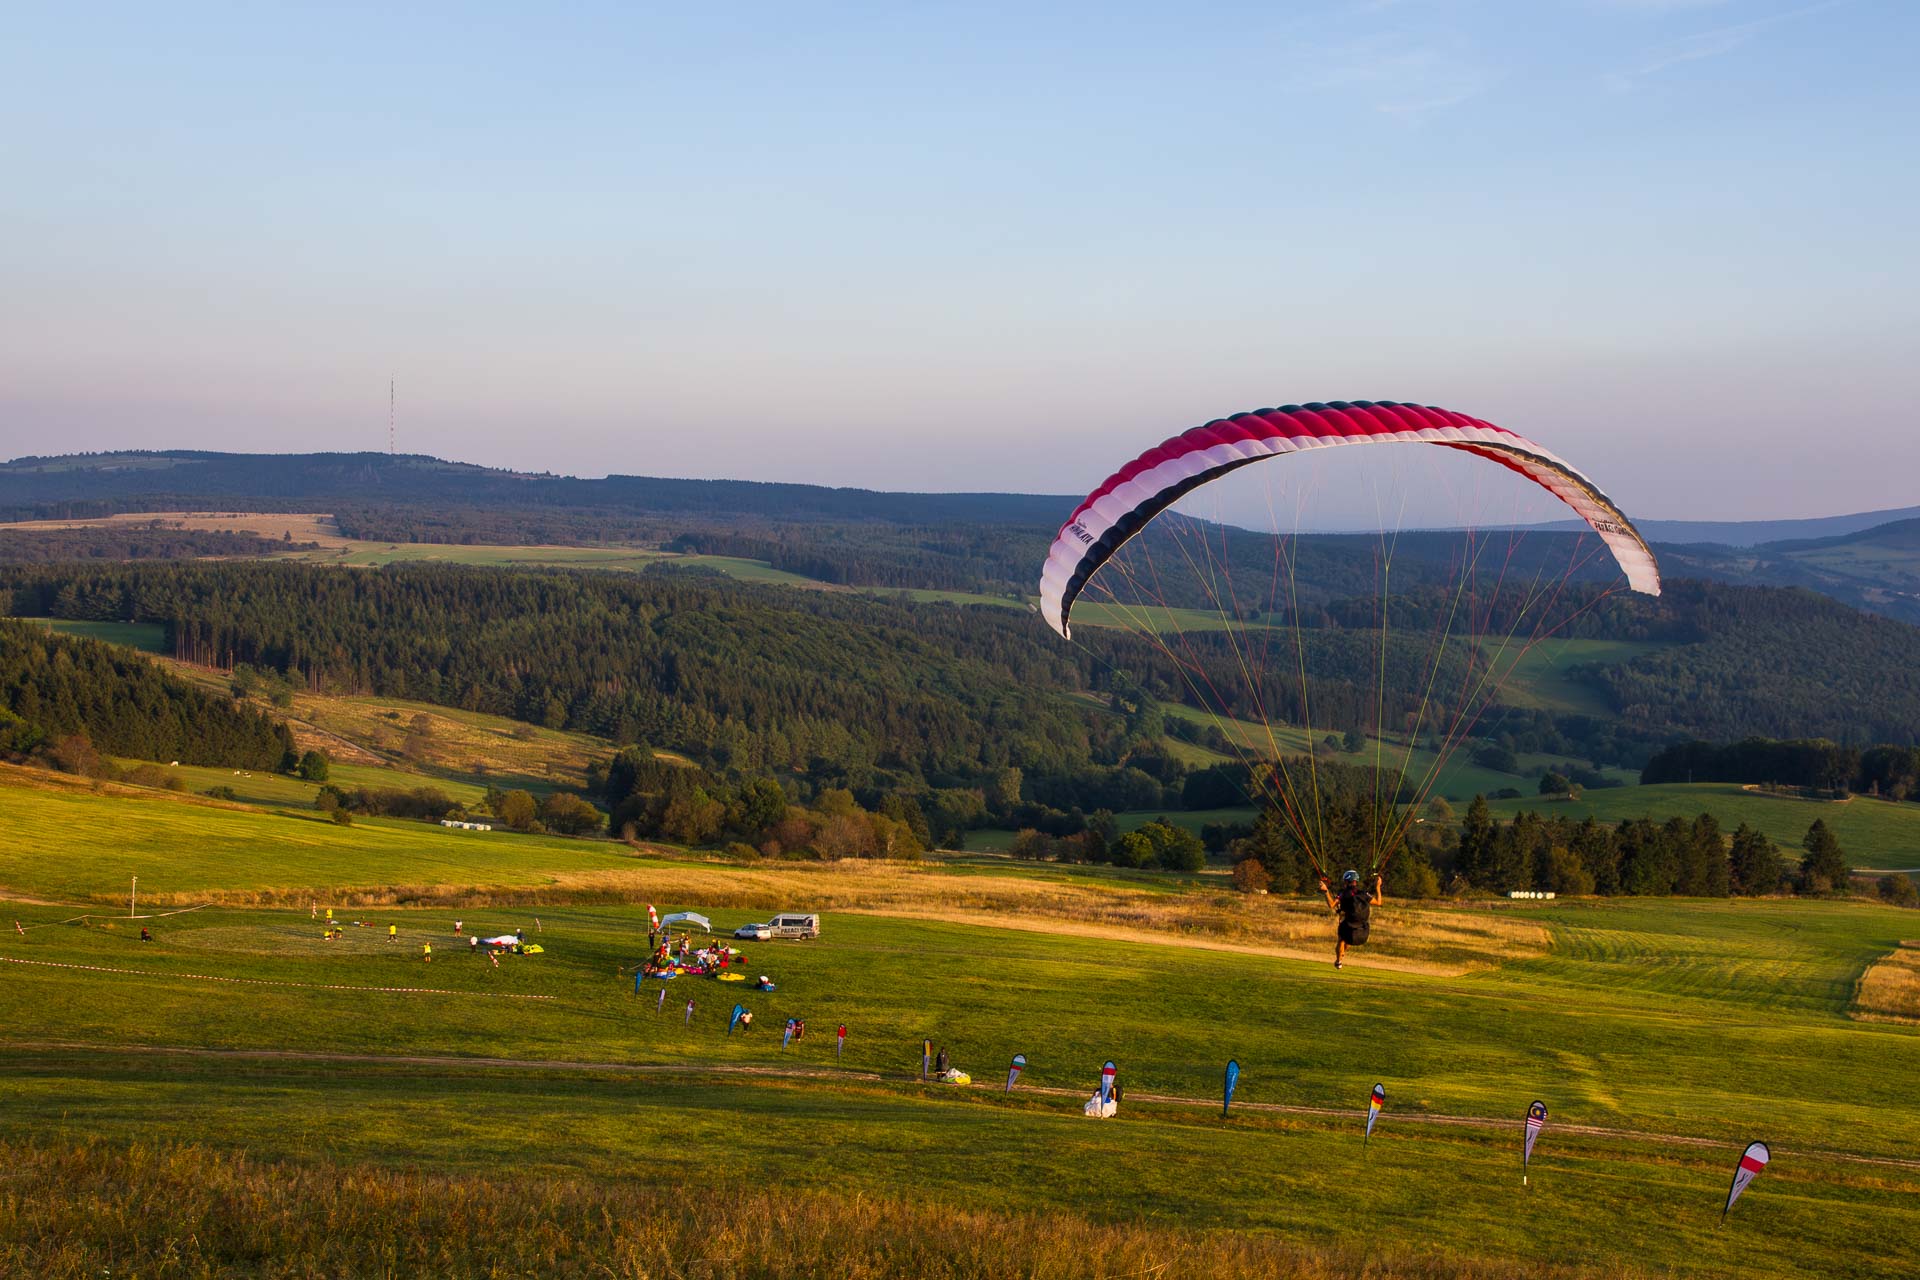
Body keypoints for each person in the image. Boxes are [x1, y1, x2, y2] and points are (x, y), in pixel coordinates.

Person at [1319, 869, 1382, 969]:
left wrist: (1325, 891)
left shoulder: (1343, 893)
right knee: (1346, 938)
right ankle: (1342, 954)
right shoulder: (1364, 893)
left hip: (1349, 931)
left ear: (1345, 881)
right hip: (1363, 934)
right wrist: (1378, 886)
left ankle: (1339, 961)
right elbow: (1379, 902)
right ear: (1356, 881)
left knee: (1341, 939)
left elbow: (1331, 905)